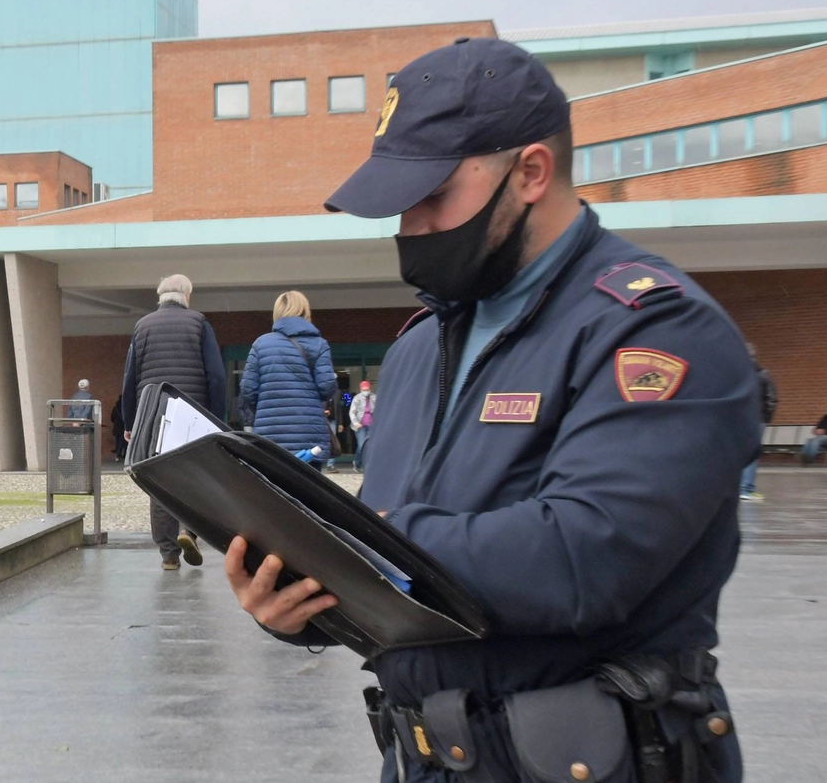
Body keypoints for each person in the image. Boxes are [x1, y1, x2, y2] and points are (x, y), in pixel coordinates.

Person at [224, 38, 755, 783]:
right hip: (429, 758)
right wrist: (306, 596)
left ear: (531, 171)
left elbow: (586, 554)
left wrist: (363, 546)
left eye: (433, 196)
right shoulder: (418, 348)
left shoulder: (653, 329)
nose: (410, 228)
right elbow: (409, 578)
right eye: (399, 206)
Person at [122, 273, 227, 571]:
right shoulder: (199, 324)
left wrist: (131, 422)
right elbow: (217, 376)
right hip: (192, 414)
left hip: (154, 416)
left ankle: (168, 554)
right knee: (194, 477)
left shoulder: (141, 327)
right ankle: (188, 530)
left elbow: (130, 379)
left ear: (160, 296)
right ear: (187, 296)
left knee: (159, 481)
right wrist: (216, 420)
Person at [238, 290, 336, 470]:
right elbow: (327, 388)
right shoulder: (319, 344)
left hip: (270, 436)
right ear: (305, 310)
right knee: (311, 493)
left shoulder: (261, 344)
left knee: (273, 493)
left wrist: (265, 409)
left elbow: (247, 390)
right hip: (309, 435)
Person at [739, 343, 777, 500]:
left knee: (737, 453)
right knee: (752, 454)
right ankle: (746, 488)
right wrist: (766, 417)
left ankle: (737, 488)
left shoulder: (735, 375)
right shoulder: (763, 374)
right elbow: (772, 399)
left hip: (738, 418)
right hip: (757, 418)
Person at [348, 379, 376, 472]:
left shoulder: (374, 397)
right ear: (361, 389)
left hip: (371, 425)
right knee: (361, 446)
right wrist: (356, 422)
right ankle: (357, 463)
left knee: (369, 446)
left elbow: (379, 410)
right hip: (360, 426)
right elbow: (352, 412)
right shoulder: (357, 398)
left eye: (367, 389)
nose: (366, 391)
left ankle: (367, 466)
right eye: (364, 389)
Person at [110, 394, 127, 462]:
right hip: (123, 425)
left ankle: (118, 453)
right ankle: (124, 454)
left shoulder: (116, 407)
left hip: (117, 425)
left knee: (117, 440)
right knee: (124, 440)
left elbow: (112, 418)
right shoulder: (126, 407)